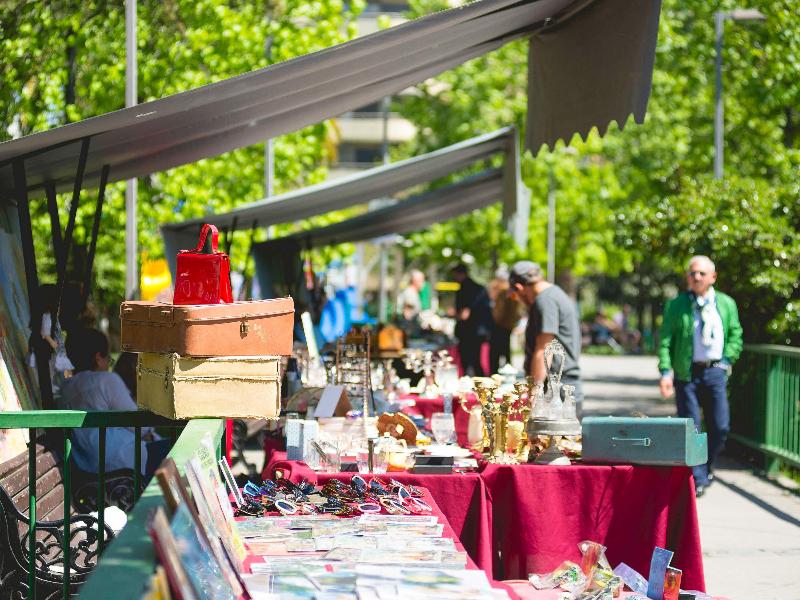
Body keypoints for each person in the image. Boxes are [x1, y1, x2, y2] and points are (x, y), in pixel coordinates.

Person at [658, 255, 743, 497]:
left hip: (715, 372)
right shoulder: (677, 305)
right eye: (692, 273)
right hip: (687, 373)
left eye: (701, 273)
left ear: (712, 277)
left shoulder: (726, 303)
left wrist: (727, 361)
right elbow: (666, 340)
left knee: (720, 426)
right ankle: (698, 478)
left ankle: (707, 465)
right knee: (691, 429)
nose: (696, 277)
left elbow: (735, 334)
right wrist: (665, 372)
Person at [61, 328, 171, 481]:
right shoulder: (105, 380)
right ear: (98, 358)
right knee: (177, 448)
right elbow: (140, 425)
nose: (108, 364)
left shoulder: (65, 388)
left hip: (86, 463)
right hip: (120, 460)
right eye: (108, 359)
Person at [508, 261, 583, 413]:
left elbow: (544, 349)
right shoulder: (554, 294)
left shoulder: (545, 300)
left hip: (557, 392)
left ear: (519, 287)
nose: (519, 300)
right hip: (560, 388)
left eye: (516, 296)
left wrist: (535, 391)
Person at [451, 263, 491, 377]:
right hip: (477, 331)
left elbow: (464, 314)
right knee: (475, 362)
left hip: (469, 331)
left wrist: (453, 315)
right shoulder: (479, 288)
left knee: (469, 363)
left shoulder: (466, 289)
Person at [488, 268, 520, 374]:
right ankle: (507, 373)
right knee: (505, 352)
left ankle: (497, 375)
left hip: (500, 326)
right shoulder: (510, 291)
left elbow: (500, 311)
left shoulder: (504, 292)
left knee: (496, 354)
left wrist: (495, 321)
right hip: (506, 326)